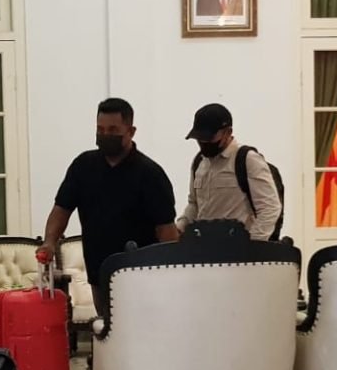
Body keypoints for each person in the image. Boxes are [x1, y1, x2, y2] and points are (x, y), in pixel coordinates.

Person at [38, 98, 180, 316]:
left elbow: (166, 231)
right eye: (100, 129)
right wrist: (49, 241)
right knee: (106, 328)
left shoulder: (150, 174)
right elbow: (61, 209)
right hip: (99, 273)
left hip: (142, 277)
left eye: (113, 130)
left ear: (131, 131)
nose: (105, 135)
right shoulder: (83, 166)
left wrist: (172, 275)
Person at [178, 103, 283, 241]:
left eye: (209, 137)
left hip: (238, 247)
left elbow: (269, 208)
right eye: (199, 138)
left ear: (228, 132)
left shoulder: (247, 159)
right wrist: (179, 228)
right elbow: (194, 204)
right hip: (204, 246)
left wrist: (252, 244)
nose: (203, 142)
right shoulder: (199, 162)